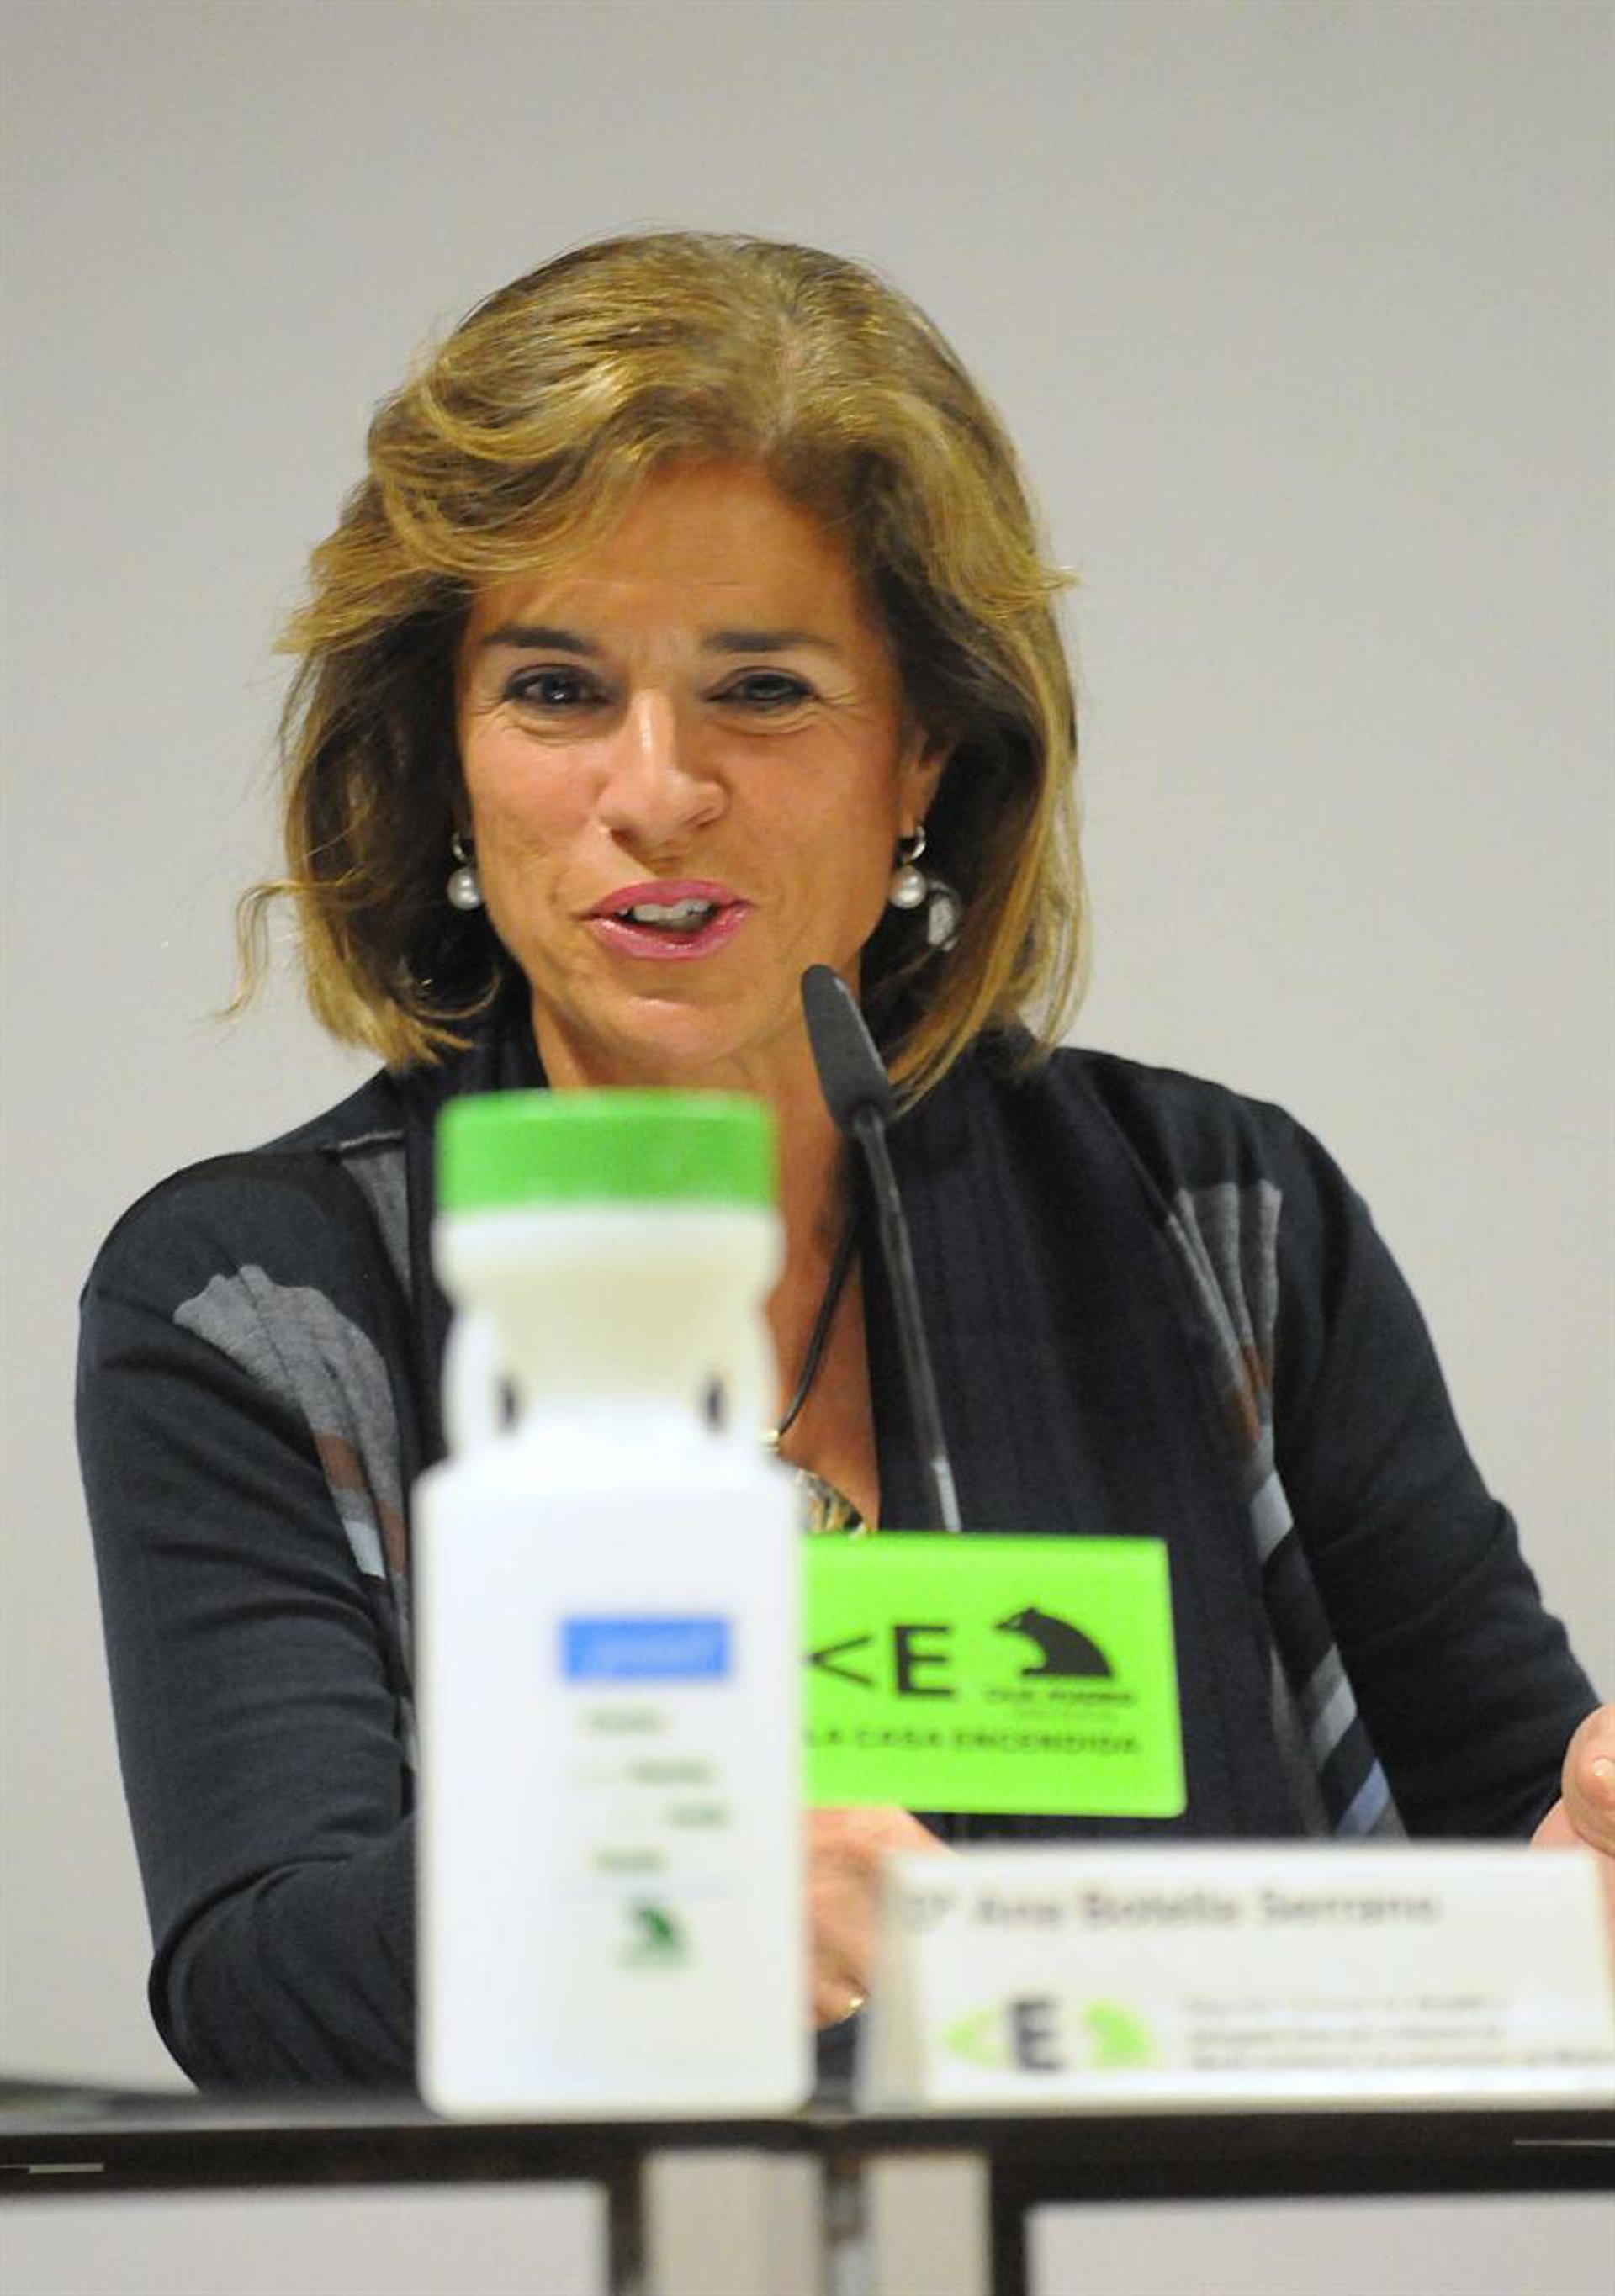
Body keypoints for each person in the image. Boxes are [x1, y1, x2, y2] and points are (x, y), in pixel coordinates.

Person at [78, 231, 1612, 2091]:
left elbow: (1518, 1862)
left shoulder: (1217, 1223)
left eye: (765, 690)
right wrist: (647, 1881)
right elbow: (257, 1983)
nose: (657, 790)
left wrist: (1587, 1874)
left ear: (925, 757)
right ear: (445, 756)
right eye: (556, 689)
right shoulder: (265, 1296)